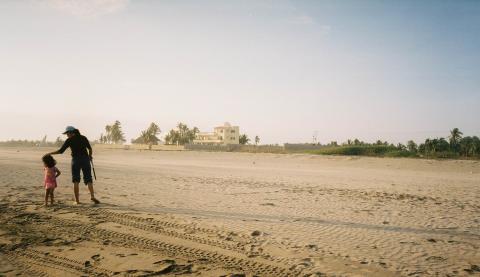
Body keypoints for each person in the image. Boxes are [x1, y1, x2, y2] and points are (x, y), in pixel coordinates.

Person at [47, 126, 100, 204]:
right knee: (89, 179)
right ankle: (92, 196)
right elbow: (90, 149)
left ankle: (77, 201)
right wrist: (90, 156)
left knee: (76, 180)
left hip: (76, 160)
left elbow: (61, 151)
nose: (67, 135)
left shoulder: (69, 140)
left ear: (71, 132)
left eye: (67, 133)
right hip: (85, 160)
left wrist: (50, 153)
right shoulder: (83, 138)